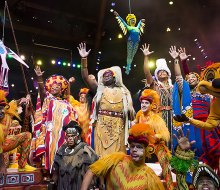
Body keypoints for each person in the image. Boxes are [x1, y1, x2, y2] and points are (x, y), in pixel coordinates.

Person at [77, 42, 135, 157]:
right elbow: (85, 77)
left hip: (119, 127)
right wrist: (84, 59)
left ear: (115, 77)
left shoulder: (124, 92)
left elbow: (130, 114)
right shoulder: (99, 90)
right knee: (101, 158)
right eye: (104, 75)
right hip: (101, 128)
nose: (106, 75)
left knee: (118, 159)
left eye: (109, 74)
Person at [169, 46, 220, 173]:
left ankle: (207, 175)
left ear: (199, 80)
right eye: (189, 78)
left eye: (193, 77)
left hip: (205, 127)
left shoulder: (208, 93)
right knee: (191, 149)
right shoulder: (187, 94)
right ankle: (189, 176)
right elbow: (180, 77)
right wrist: (178, 61)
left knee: (207, 152)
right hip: (189, 124)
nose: (191, 78)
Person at [80, 123, 165, 190]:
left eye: (139, 147)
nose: (134, 150)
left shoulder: (149, 176)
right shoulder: (116, 159)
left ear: (147, 150)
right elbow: (91, 171)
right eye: (132, 146)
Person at [31, 66, 77, 172]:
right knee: (49, 149)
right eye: (52, 87)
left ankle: (61, 173)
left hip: (62, 133)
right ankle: (48, 172)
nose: (54, 88)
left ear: (61, 91)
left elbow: (72, 118)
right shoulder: (48, 99)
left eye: (57, 87)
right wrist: (39, 78)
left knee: (62, 152)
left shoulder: (66, 103)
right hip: (49, 131)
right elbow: (42, 91)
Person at [132, 89, 174, 190]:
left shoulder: (155, 118)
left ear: (151, 105)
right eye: (142, 103)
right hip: (143, 145)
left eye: (146, 103)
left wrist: (156, 136)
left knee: (165, 163)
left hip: (155, 145)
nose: (144, 105)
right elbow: (135, 123)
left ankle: (170, 186)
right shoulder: (139, 114)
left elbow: (164, 134)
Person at [52, 121, 98, 190]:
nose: (70, 138)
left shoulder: (85, 150)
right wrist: (52, 183)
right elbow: (55, 172)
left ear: (78, 136)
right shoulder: (61, 150)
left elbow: (91, 173)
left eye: (73, 136)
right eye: (68, 136)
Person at [0, 90, 36, 175]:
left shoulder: (6, 114)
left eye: (1, 109)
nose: (0, 111)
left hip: (4, 144)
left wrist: (22, 99)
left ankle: (22, 165)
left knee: (27, 135)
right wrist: (2, 166)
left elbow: (13, 104)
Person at [141, 44, 173, 136]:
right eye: (159, 72)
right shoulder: (154, 85)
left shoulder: (173, 87)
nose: (162, 72)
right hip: (159, 116)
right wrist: (146, 57)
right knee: (160, 139)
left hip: (172, 116)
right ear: (157, 75)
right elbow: (147, 72)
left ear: (168, 74)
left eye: (164, 71)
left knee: (173, 138)